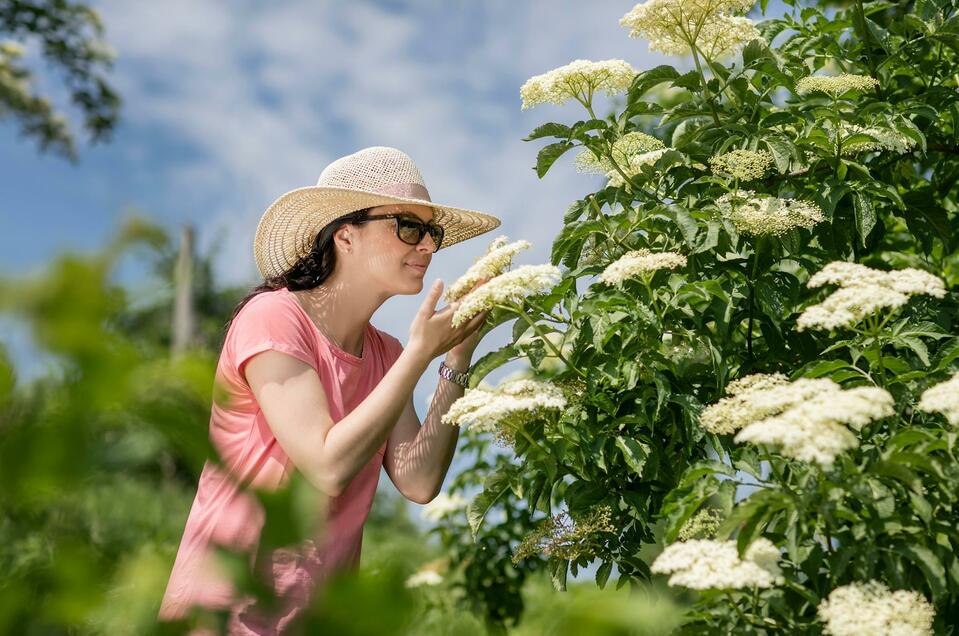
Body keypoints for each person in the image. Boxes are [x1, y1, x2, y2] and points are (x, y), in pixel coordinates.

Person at [158, 146, 502, 634]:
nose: (427, 246)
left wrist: (457, 356)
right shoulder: (274, 318)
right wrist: (419, 354)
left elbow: (418, 480)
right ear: (346, 235)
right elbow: (326, 465)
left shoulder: (385, 352)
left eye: (433, 233)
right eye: (409, 226)